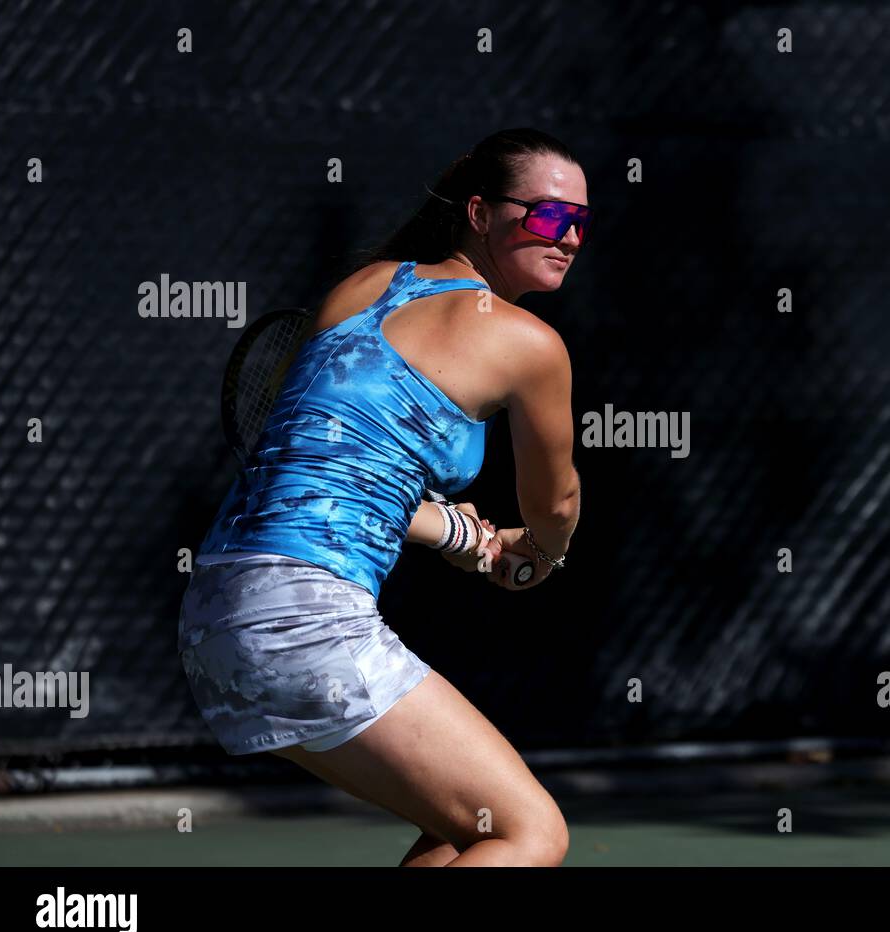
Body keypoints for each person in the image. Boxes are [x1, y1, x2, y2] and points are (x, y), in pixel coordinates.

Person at [177, 128, 588, 865]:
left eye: (582, 224)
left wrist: (461, 537)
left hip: (218, 610)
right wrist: (539, 556)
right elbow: (554, 509)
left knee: (468, 822)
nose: (570, 238)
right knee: (530, 832)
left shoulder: (363, 287)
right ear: (480, 212)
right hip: (306, 620)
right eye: (550, 217)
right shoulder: (530, 346)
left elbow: (328, 474)